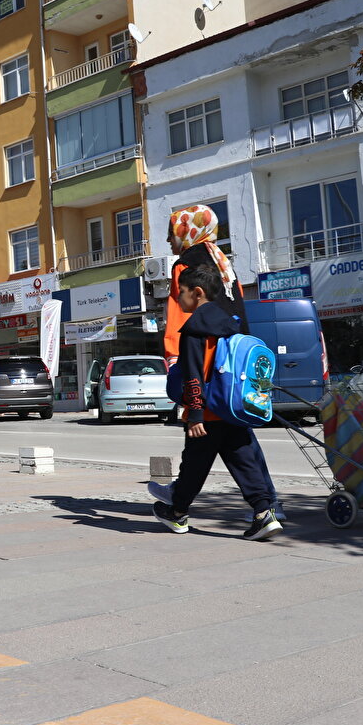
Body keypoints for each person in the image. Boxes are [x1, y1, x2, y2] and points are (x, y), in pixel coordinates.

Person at [148, 206, 283, 520]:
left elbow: (180, 318)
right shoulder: (224, 263)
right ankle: (267, 505)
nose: (169, 240)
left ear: (188, 231)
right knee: (240, 441)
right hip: (234, 360)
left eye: (172, 232)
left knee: (203, 441)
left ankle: (180, 502)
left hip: (204, 364)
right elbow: (241, 316)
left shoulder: (187, 265)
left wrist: (174, 362)